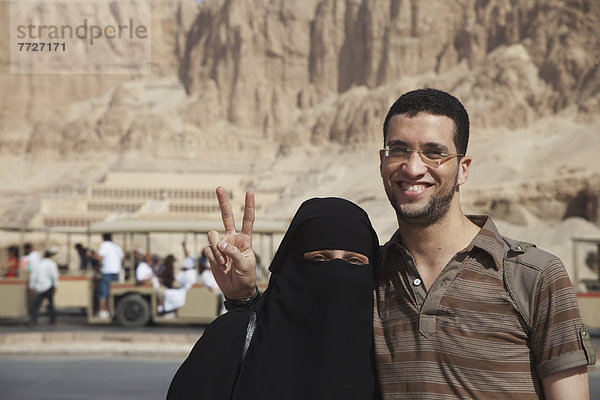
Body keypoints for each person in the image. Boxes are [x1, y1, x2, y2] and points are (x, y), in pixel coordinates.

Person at [204, 88, 595, 399]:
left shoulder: (534, 277)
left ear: (463, 168)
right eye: (399, 150)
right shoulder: (363, 277)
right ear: (381, 161)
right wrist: (244, 298)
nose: (412, 167)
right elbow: (299, 353)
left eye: (434, 152)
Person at [167, 197, 380, 400]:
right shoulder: (230, 339)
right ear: (290, 264)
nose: (337, 273)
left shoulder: (386, 350)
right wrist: (243, 304)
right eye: (319, 258)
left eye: (354, 261)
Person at [91, 233, 123, 319]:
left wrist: (90, 255)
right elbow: (121, 259)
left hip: (107, 272)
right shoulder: (116, 246)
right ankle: (111, 310)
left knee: (103, 293)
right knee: (112, 293)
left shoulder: (105, 245)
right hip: (116, 272)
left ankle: (103, 311)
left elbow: (100, 257)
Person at [28, 246, 59, 326]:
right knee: (51, 305)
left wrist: (32, 286)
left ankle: (33, 320)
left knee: (37, 305)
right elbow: (54, 276)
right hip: (48, 287)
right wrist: (55, 286)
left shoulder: (39, 264)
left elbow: (33, 276)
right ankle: (53, 320)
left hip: (39, 287)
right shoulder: (52, 264)